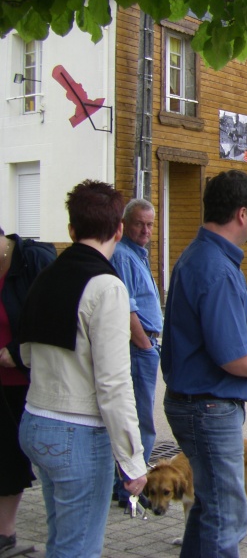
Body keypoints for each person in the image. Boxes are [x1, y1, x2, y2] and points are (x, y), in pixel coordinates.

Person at [161, 169, 247, 557]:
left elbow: (214, 337)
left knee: (208, 508)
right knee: (227, 516)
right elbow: (231, 358)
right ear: (241, 214)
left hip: (199, 404)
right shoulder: (216, 267)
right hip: (208, 407)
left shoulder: (203, 256)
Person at [17, 180, 148, 558]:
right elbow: (114, 383)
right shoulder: (107, 287)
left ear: (71, 230)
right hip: (77, 432)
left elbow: (26, 353)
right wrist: (132, 460)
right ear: (119, 229)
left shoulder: (47, 276)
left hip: (35, 421)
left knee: (62, 541)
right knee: (78, 550)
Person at [0, 226, 56, 554]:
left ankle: (10, 534)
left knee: (24, 457)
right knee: (4, 456)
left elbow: (54, 318)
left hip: (29, 383)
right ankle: (5, 534)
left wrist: (19, 350)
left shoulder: (34, 259)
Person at [110, 199, 163, 508]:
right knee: (140, 421)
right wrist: (143, 342)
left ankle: (127, 486)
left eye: (150, 224)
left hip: (146, 345)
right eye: (139, 224)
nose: (145, 230)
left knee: (141, 418)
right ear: (125, 224)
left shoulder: (137, 255)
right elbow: (125, 306)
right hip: (137, 348)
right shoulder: (122, 256)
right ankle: (130, 489)